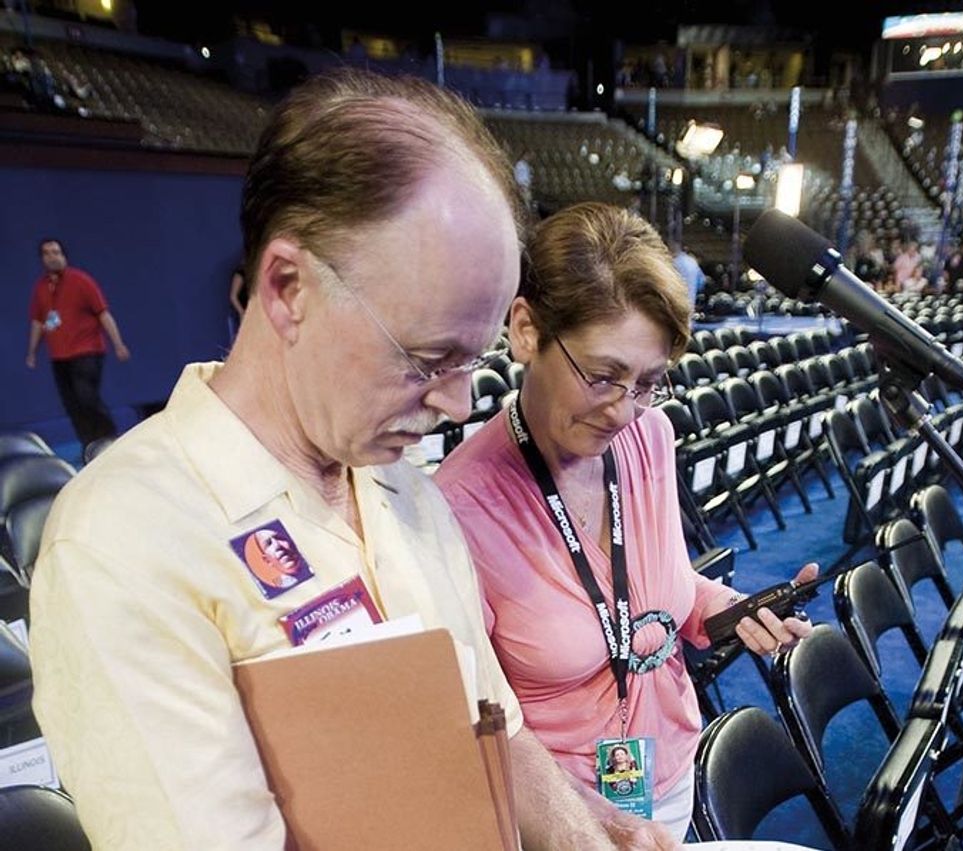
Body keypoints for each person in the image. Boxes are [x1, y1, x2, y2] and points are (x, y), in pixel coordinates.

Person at [30, 69, 625, 851]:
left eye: (471, 363)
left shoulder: (406, 493)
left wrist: (589, 831)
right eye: (426, 357)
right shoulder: (124, 544)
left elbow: (496, 733)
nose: (456, 404)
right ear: (286, 287)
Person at [436, 202, 816, 846]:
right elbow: (474, 725)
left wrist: (728, 607)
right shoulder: (460, 507)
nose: (623, 410)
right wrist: (586, 821)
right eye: (604, 375)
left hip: (668, 769)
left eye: (649, 382)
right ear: (526, 331)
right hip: (564, 819)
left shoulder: (650, 436)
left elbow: (663, 591)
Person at [25, 238, 130, 450]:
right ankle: (90, 445)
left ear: (64, 255)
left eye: (56, 252)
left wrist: (118, 344)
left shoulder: (81, 281)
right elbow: (38, 321)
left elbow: (103, 314)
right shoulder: (41, 288)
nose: (52, 256)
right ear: (42, 259)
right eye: (47, 253)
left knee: (87, 397)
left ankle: (110, 440)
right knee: (72, 405)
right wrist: (32, 352)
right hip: (59, 356)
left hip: (86, 351)